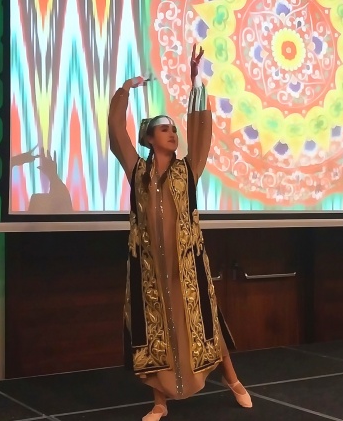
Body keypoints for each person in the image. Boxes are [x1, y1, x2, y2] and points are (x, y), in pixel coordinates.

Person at [108, 45, 252, 420]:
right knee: (155, 335)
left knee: (206, 322)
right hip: (151, 271)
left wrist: (196, 83)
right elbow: (117, 133)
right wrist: (124, 91)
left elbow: (201, 133)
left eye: (174, 129)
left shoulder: (187, 170)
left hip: (186, 267)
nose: (173, 134)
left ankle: (233, 380)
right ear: (149, 138)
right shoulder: (137, 171)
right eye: (165, 129)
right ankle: (160, 402)